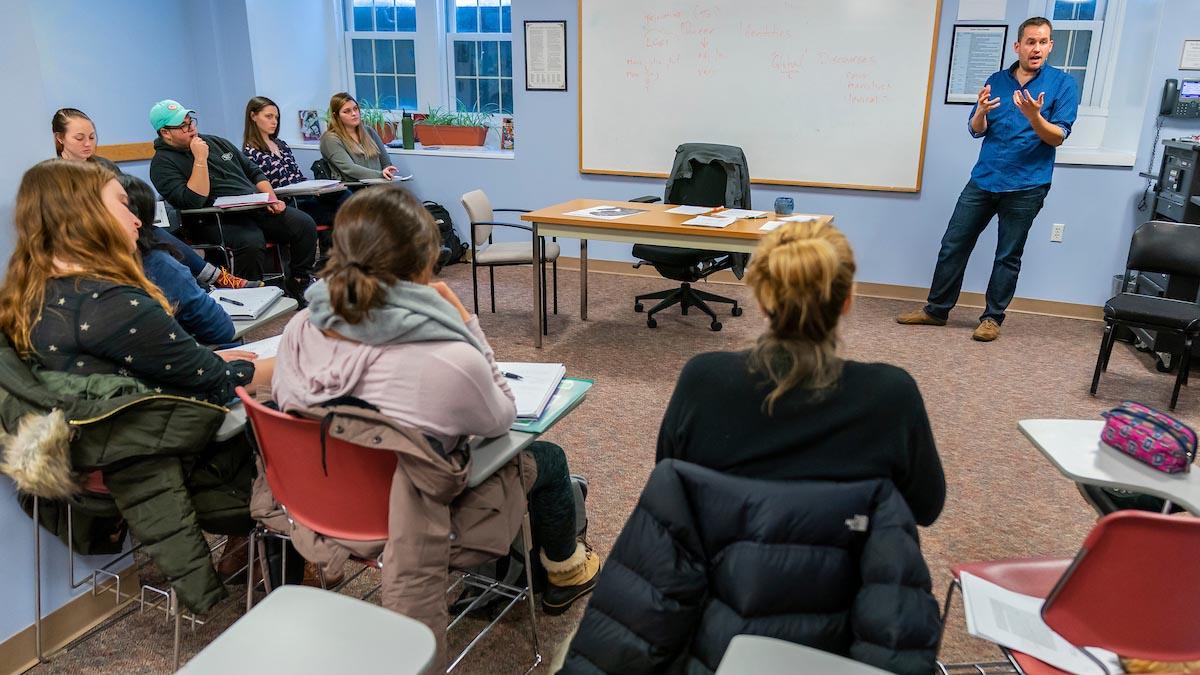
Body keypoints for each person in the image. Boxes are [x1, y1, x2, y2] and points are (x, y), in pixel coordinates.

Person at [270, 185, 600, 616]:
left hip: (320, 503)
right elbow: (500, 418)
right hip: (416, 518)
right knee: (548, 457)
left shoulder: (300, 326)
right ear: (427, 257)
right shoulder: (448, 357)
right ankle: (567, 571)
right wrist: (467, 325)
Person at [0, 159, 274, 612]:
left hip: (89, 460)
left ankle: (246, 548)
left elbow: (125, 373)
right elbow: (218, 384)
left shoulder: (29, 292)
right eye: (124, 205)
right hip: (155, 464)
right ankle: (280, 547)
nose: (137, 220)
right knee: (294, 401)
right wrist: (295, 358)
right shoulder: (112, 303)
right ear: (84, 214)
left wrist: (214, 361)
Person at [657, 219, 946, 526]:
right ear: (846, 300)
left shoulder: (703, 381)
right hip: (847, 567)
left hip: (724, 564)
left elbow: (668, 490)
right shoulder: (891, 394)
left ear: (763, 301)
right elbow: (925, 509)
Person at [896, 16, 1078, 342]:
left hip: (1027, 184)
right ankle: (936, 310)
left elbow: (1056, 137)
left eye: (1043, 42)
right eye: (1031, 42)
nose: (1036, 48)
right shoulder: (997, 79)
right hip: (984, 179)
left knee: (1007, 255)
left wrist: (1034, 116)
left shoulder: (1063, 85)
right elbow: (976, 130)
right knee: (953, 244)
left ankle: (992, 319)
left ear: (1050, 46)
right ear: (1018, 46)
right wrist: (980, 111)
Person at [51, 107, 258, 289]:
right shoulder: (54, 175)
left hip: (130, 226)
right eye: (79, 138)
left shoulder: (104, 166)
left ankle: (204, 286)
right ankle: (212, 280)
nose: (88, 144)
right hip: (96, 235)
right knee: (155, 243)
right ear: (60, 138)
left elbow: (130, 196)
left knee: (156, 236)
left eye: (92, 137)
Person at [148, 99, 318, 295]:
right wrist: (200, 158)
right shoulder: (162, 164)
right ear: (165, 133)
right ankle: (253, 295)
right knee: (251, 240)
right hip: (213, 220)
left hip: (253, 208)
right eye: (182, 126)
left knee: (303, 223)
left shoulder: (216, 142)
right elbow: (193, 200)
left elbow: (254, 172)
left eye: (190, 121)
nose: (190, 128)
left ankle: (299, 282)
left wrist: (271, 199)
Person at [117, 173, 235, 345]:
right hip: (177, 358)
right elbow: (221, 330)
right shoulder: (157, 264)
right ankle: (216, 278)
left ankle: (214, 279)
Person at [242, 95, 349, 231]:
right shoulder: (250, 153)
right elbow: (263, 187)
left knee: (345, 196)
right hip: (287, 204)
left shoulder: (282, 145)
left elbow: (298, 176)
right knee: (342, 215)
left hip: (303, 196)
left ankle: (348, 244)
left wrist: (316, 187)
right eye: (269, 117)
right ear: (253, 116)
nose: (274, 121)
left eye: (276, 117)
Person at [318, 92, 400, 182]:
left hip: (377, 185)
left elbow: (386, 162)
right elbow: (349, 169)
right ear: (336, 115)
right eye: (347, 111)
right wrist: (381, 175)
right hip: (352, 188)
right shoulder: (330, 139)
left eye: (355, 109)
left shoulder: (369, 131)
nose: (354, 113)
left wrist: (387, 170)